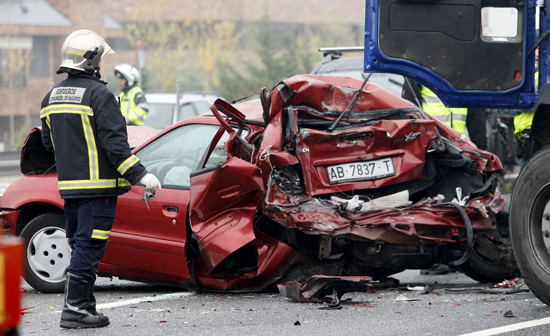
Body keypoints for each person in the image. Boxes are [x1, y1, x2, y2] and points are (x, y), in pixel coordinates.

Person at [40, 30, 161, 329]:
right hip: (99, 189)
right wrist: (142, 176)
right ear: (92, 61)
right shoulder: (99, 94)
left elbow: (47, 144)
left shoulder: (51, 96)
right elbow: (115, 146)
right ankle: (75, 310)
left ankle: (85, 305)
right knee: (90, 246)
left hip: (69, 188)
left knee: (79, 243)